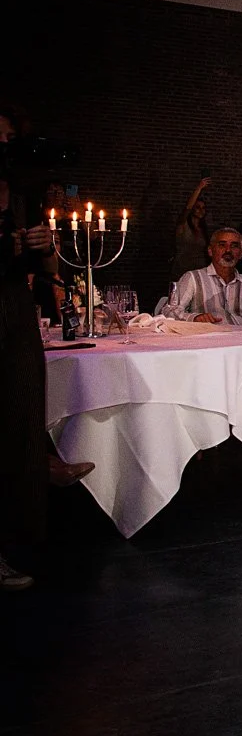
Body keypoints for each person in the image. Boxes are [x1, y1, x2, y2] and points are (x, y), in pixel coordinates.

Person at [1, 107, 92, 589]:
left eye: (10, 136)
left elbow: (49, 271)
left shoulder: (19, 195)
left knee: (22, 405)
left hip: (13, 309)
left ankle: (38, 471)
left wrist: (39, 243)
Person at [165, 227, 242, 325]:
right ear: (210, 251)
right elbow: (169, 311)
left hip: (240, 341)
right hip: (203, 340)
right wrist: (194, 318)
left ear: (241, 254)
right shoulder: (193, 278)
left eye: (234, 246)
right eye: (222, 245)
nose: (228, 250)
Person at [172, 177, 211, 278]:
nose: (201, 210)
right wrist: (199, 188)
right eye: (197, 207)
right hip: (182, 271)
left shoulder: (203, 230)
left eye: (203, 208)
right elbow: (187, 209)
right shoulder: (184, 226)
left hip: (199, 272)